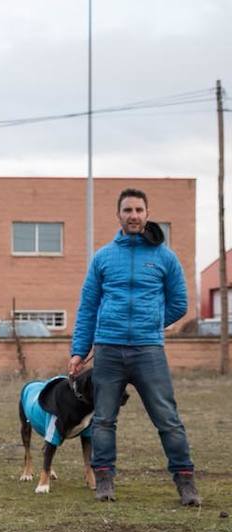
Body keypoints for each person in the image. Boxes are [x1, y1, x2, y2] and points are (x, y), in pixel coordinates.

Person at [68, 187, 201, 506]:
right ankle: (104, 481)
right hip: (108, 350)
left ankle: (185, 482)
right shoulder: (102, 257)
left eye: (139, 210)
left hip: (148, 351)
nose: (134, 216)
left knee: (167, 418)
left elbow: (179, 303)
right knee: (103, 419)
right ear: (119, 215)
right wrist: (79, 350)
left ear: (147, 214)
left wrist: (150, 322)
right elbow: (88, 306)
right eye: (127, 210)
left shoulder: (165, 258)